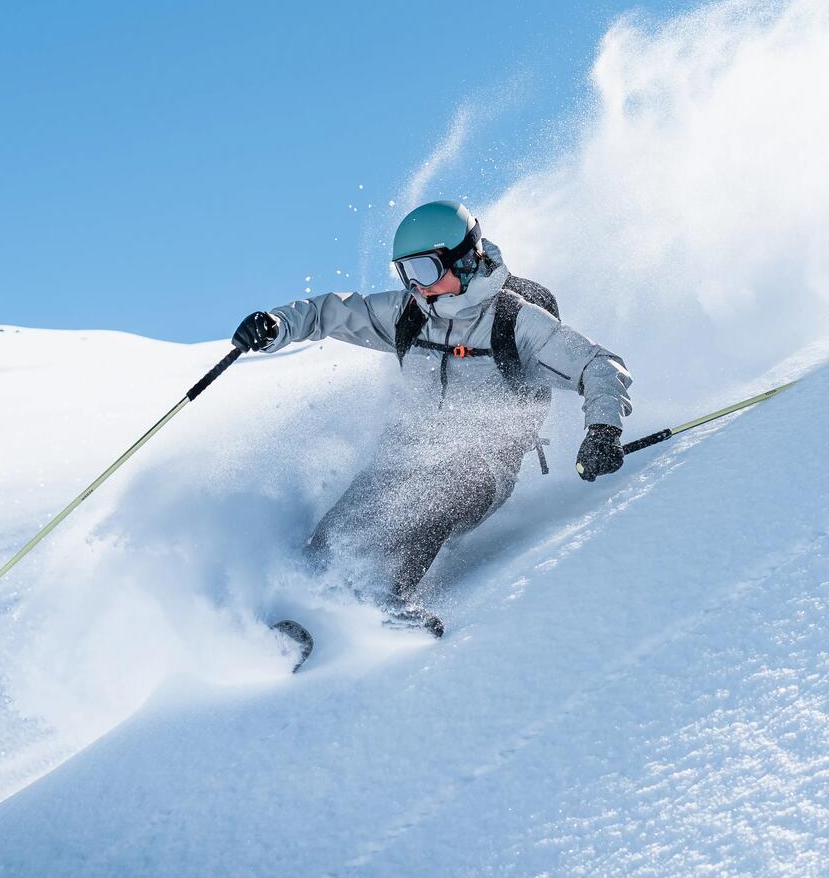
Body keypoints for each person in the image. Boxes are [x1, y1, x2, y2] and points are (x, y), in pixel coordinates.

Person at [232, 201, 632, 636]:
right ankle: (292, 610)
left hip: (483, 464)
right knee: (339, 531)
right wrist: (276, 324)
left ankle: (384, 600)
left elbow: (599, 365)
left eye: (423, 270)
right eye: (405, 274)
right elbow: (333, 311)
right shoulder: (408, 313)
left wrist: (604, 428)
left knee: (436, 499)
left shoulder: (514, 322)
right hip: (403, 454)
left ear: (465, 258)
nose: (415, 286)